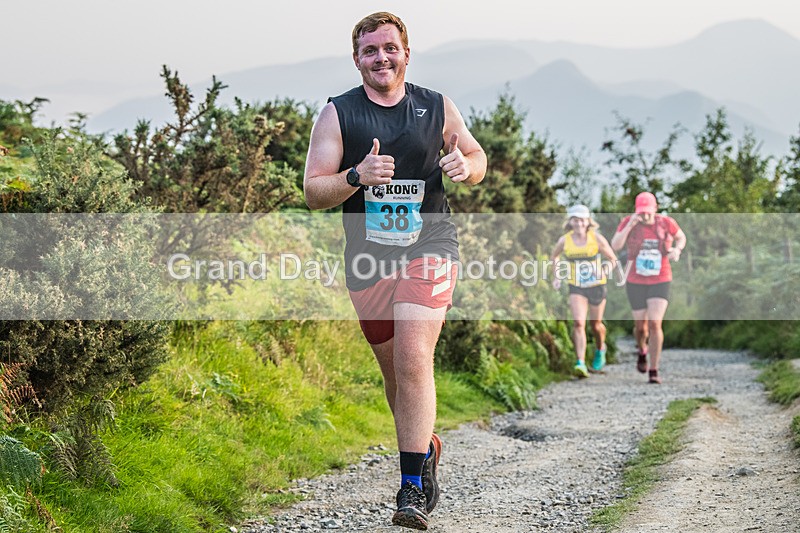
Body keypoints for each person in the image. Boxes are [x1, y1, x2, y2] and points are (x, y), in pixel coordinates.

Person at [303, 12, 487, 531]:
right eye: (369, 51)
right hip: (367, 261)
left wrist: (464, 167)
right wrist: (356, 176)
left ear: (406, 52)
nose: (381, 58)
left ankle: (409, 488)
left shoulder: (436, 106)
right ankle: (424, 445)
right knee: (395, 375)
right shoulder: (338, 114)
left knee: (412, 356)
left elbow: (476, 156)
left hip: (430, 246)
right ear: (356, 58)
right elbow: (314, 191)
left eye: (389, 48)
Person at [610, 192, 686, 384]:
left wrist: (677, 250)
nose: (644, 216)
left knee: (654, 323)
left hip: (660, 278)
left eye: (647, 212)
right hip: (635, 280)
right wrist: (630, 225)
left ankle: (654, 369)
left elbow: (681, 237)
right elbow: (616, 245)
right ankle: (642, 350)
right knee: (640, 327)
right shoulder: (629, 222)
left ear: (655, 209)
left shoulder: (665, 222)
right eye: (641, 212)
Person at [549, 204, 618, 378]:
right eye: (575, 220)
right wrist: (557, 276)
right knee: (579, 323)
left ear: (588, 221)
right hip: (576, 285)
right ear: (570, 222)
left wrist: (604, 271)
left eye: (582, 220)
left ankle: (600, 348)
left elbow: (612, 259)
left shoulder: (597, 239)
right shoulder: (565, 240)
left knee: (596, 325)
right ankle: (580, 362)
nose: (578, 223)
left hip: (596, 285)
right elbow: (554, 257)